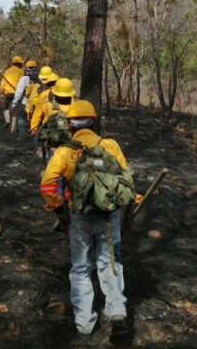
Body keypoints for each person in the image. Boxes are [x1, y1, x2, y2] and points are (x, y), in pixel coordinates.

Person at [39, 100, 137, 342]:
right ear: (94, 121)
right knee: (110, 264)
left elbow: (47, 185)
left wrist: (59, 209)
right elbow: (125, 179)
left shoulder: (64, 151)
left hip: (79, 217)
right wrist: (129, 206)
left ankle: (84, 324)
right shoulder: (110, 146)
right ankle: (116, 313)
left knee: (81, 268)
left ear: (70, 125)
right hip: (108, 218)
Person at [10, 60, 40, 139]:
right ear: (35, 68)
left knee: (22, 120)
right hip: (37, 104)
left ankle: (22, 137)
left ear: (26, 68)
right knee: (35, 121)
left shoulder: (24, 78)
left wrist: (14, 103)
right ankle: (35, 138)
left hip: (25, 103)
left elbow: (18, 92)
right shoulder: (40, 78)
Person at [0, 56, 24, 127]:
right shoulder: (21, 71)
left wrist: (2, 92)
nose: (22, 65)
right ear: (18, 64)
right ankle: (13, 128)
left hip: (7, 93)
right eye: (21, 63)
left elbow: (3, 82)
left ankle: (7, 121)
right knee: (15, 111)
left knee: (5, 107)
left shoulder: (7, 71)